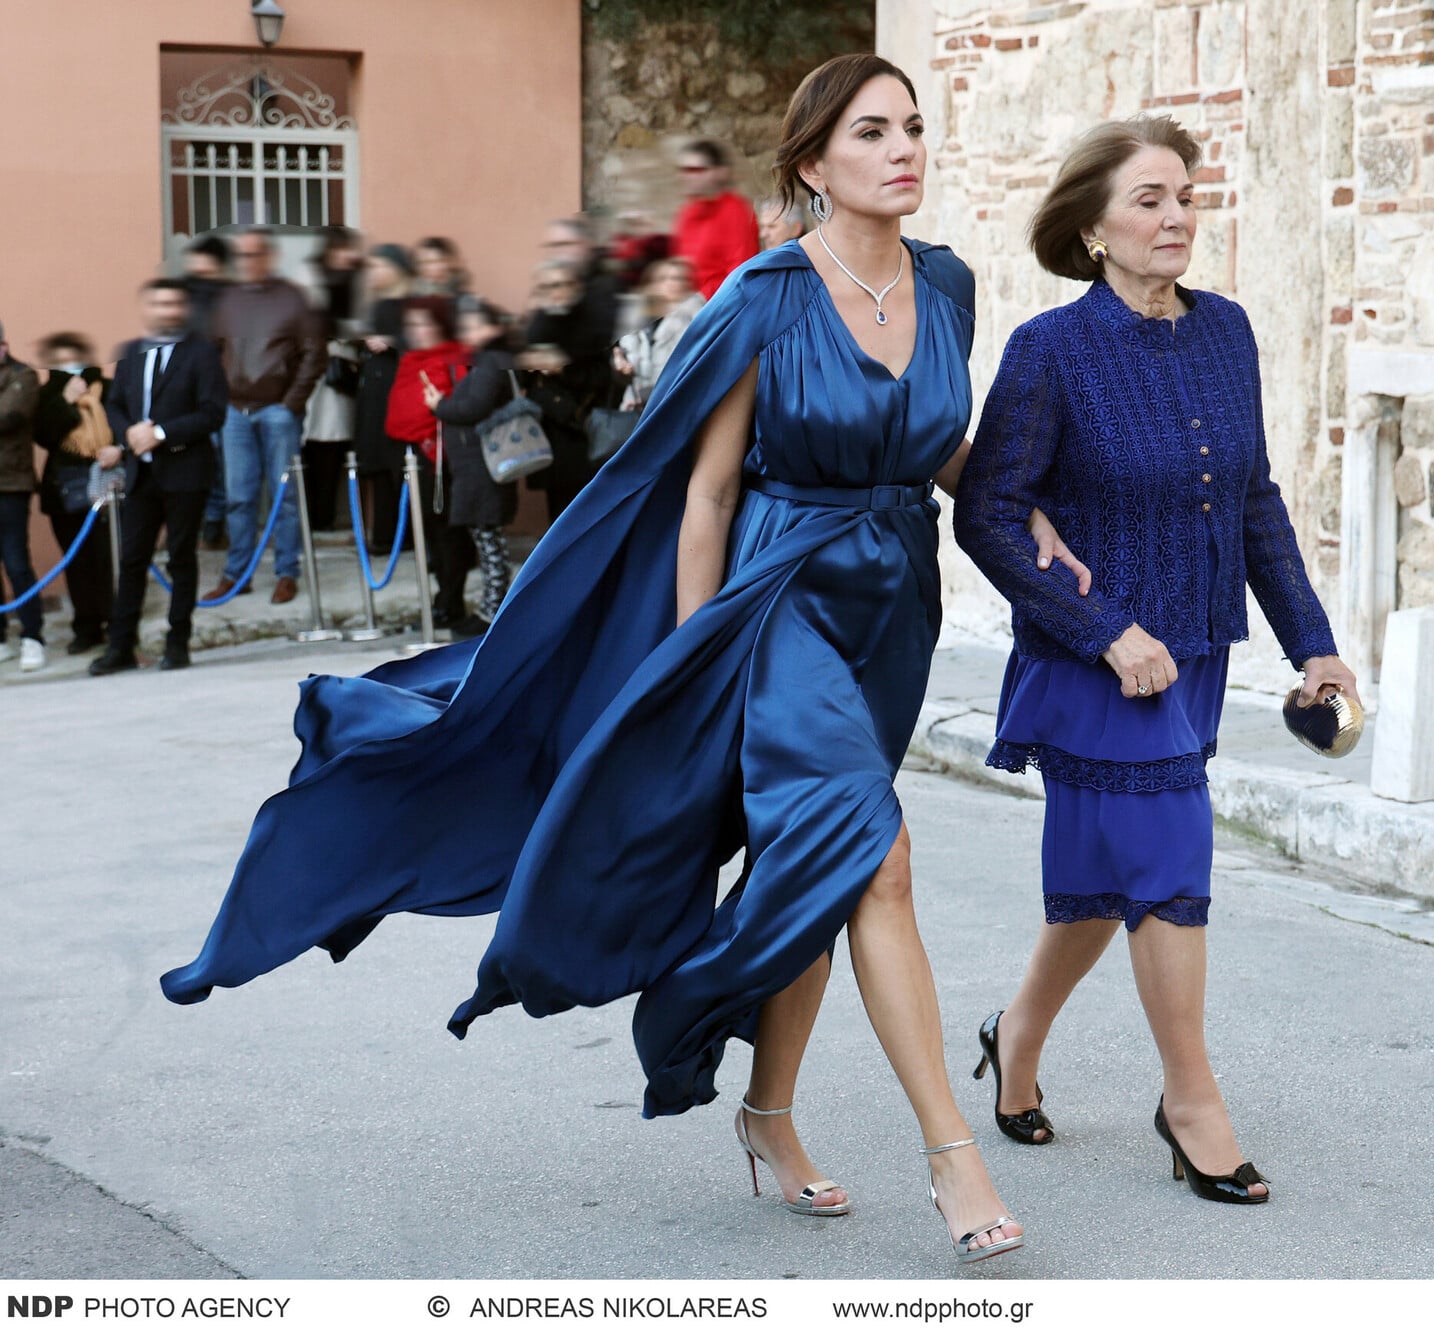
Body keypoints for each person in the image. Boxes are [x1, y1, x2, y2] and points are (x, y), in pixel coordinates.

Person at [158, 53, 1094, 1265]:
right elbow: (706, 492)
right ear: (814, 164)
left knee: (815, 863)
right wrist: (697, 657)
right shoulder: (763, 296)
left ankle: (767, 1115)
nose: (904, 148)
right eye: (871, 132)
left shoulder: (948, 284)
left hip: (893, 602)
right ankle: (952, 1155)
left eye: (912, 126)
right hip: (779, 600)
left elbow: (930, 437)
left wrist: (1017, 507)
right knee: (878, 851)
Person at [954, 116, 1360, 1205]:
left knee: (1102, 887)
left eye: (1185, 195)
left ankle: (1013, 1034)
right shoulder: (1051, 349)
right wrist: (1104, 629)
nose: (1177, 215)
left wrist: (1314, 643)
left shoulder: (1227, 331)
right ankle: (1192, 1101)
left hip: (1196, 652)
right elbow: (988, 513)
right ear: (1094, 228)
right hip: (1099, 665)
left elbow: (1253, 499)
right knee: (1172, 862)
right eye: (1149, 198)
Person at [91, 279, 229, 675]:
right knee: (132, 559)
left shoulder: (202, 352)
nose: (166, 311)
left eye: (173, 304)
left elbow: (212, 412)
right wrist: (129, 434)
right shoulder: (131, 352)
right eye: (159, 304)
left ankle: (177, 643)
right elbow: (115, 405)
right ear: (146, 308)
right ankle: (121, 647)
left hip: (186, 471)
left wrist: (162, 433)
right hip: (141, 474)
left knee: (181, 558)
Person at [209, 227, 324, 604]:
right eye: (240, 256)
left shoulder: (293, 298)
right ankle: (237, 574)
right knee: (238, 497)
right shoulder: (227, 299)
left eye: (253, 254)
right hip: (235, 413)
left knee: (284, 496)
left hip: (277, 411)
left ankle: (286, 572)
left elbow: (314, 354)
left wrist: (290, 404)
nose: (246, 262)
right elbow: (211, 350)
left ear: (269, 257)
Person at [424, 300, 520, 634]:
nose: (468, 333)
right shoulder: (488, 360)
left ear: (494, 328)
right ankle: (492, 608)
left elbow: (474, 407)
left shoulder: (491, 361)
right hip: (478, 465)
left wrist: (440, 405)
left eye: (475, 326)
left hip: (483, 465)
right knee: (487, 536)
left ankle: (493, 612)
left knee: (488, 538)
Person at [384, 296, 471, 628]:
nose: (417, 330)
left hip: (438, 457)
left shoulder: (454, 358)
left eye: (424, 323)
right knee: (428, 533)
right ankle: (442, 597)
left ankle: (450, 601)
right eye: (412, 324)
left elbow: (461, 405)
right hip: (407, 453)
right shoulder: (411, 359)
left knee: (446, 531)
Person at [31, 333, 116, 655]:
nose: (71, 365)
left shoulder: (108, 388)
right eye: (62, 360)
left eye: (75, 358)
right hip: (65, 489)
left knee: (107, 557)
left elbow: (122, 423)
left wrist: (116, 449)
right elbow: (43, 435)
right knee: (77, 561)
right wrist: (65, 401)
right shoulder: (47, 395)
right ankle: (86, 626)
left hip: (106, 482)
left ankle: (116, 622)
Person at [520, 260, 612, 522]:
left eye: (561, 284)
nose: (555, 292)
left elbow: (604, 376)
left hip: (585, 430)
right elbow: (523, 380)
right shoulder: (537, 324)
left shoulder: (592, 323)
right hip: (549, 432)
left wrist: (562, 369)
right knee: (558, 510)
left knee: (587, 508)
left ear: (576, 287)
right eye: (548, 286)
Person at [351, 244, 413, 556]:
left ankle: (407, 535)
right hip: (374, 394)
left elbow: (426, 341)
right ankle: (385, 535)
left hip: (400, 392)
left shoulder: (412, 303)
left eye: (379, 266)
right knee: (377, 464)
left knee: (400, 466)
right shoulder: (375, 304)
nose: (373, 273)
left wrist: (391, 342)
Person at [303, 225, 362, 531]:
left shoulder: (358, 281)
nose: (345, 256)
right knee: (308, 449)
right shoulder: (310, 277)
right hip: (311, 373)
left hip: (342, 373)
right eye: (340, 249)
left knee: (334, 449)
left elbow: (363, 324)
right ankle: (308, 518)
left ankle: (324, 518)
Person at [183, 234, 234, 550]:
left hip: (222, 386)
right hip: (190, 386)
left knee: (221, 456)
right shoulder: (183, 293)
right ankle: (206, 518)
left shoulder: (230, 295)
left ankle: (215, 519)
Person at [0, 318, 44, 672]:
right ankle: (1, 638)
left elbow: (8, 417)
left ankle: (33, 636)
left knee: (16, 562)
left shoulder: (23, 376)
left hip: (11, 484)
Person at [672, 139, 760, 299]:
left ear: (720, 172)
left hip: (716, 305)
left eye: (696, 170)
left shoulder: (736, 212)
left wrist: (697, 300)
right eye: (683, 170)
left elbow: (738, 276)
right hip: (685, 303)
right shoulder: (686, 213)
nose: (686, 177)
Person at [612, 258, 704, 412]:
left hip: (677, 406)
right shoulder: (637, 316)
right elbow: (623, 370)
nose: (672, 283)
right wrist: (619, 364)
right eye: (663, 278)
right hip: (635, 406)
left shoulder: (698, 317)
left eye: (679, 278)